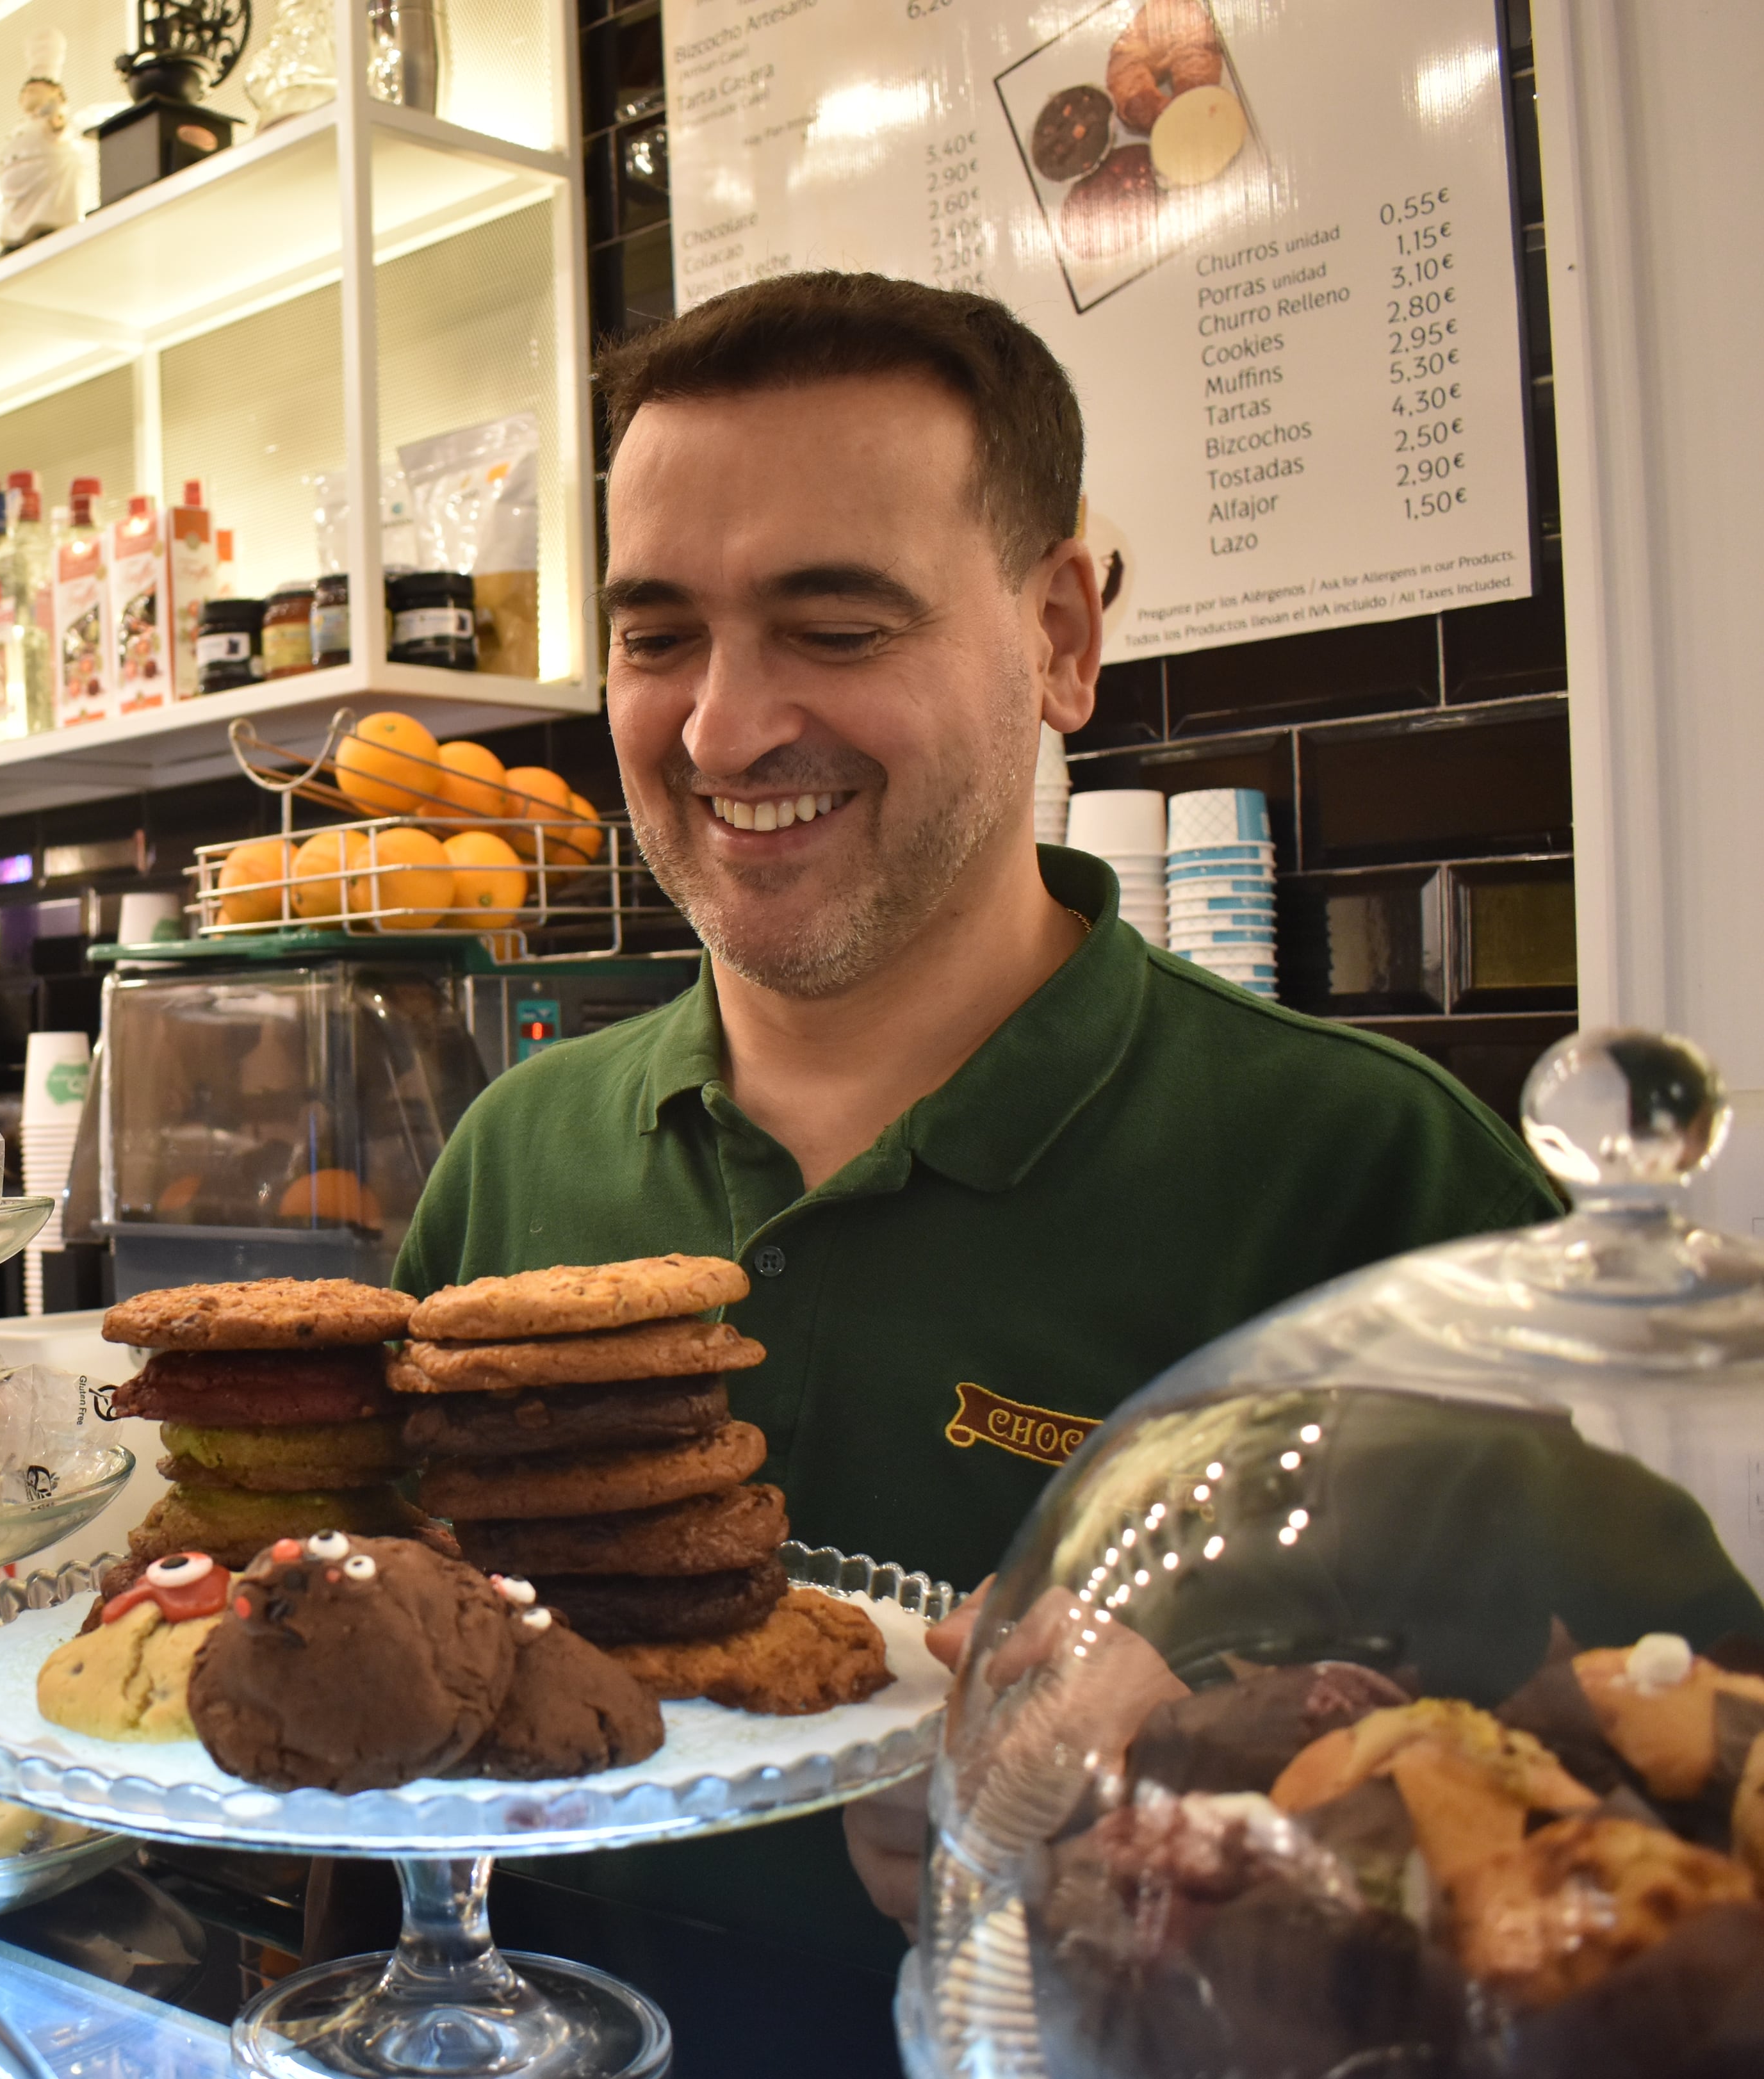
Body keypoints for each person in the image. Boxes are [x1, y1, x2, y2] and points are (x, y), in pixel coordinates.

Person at [389, 270, 1563, 1969]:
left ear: (1062, 637)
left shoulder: (1368, 1178)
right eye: (657, 637)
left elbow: (1657, 1775)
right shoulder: (521, 1152)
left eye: (838, 626)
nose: (723, 726)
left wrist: (1210, 1798)